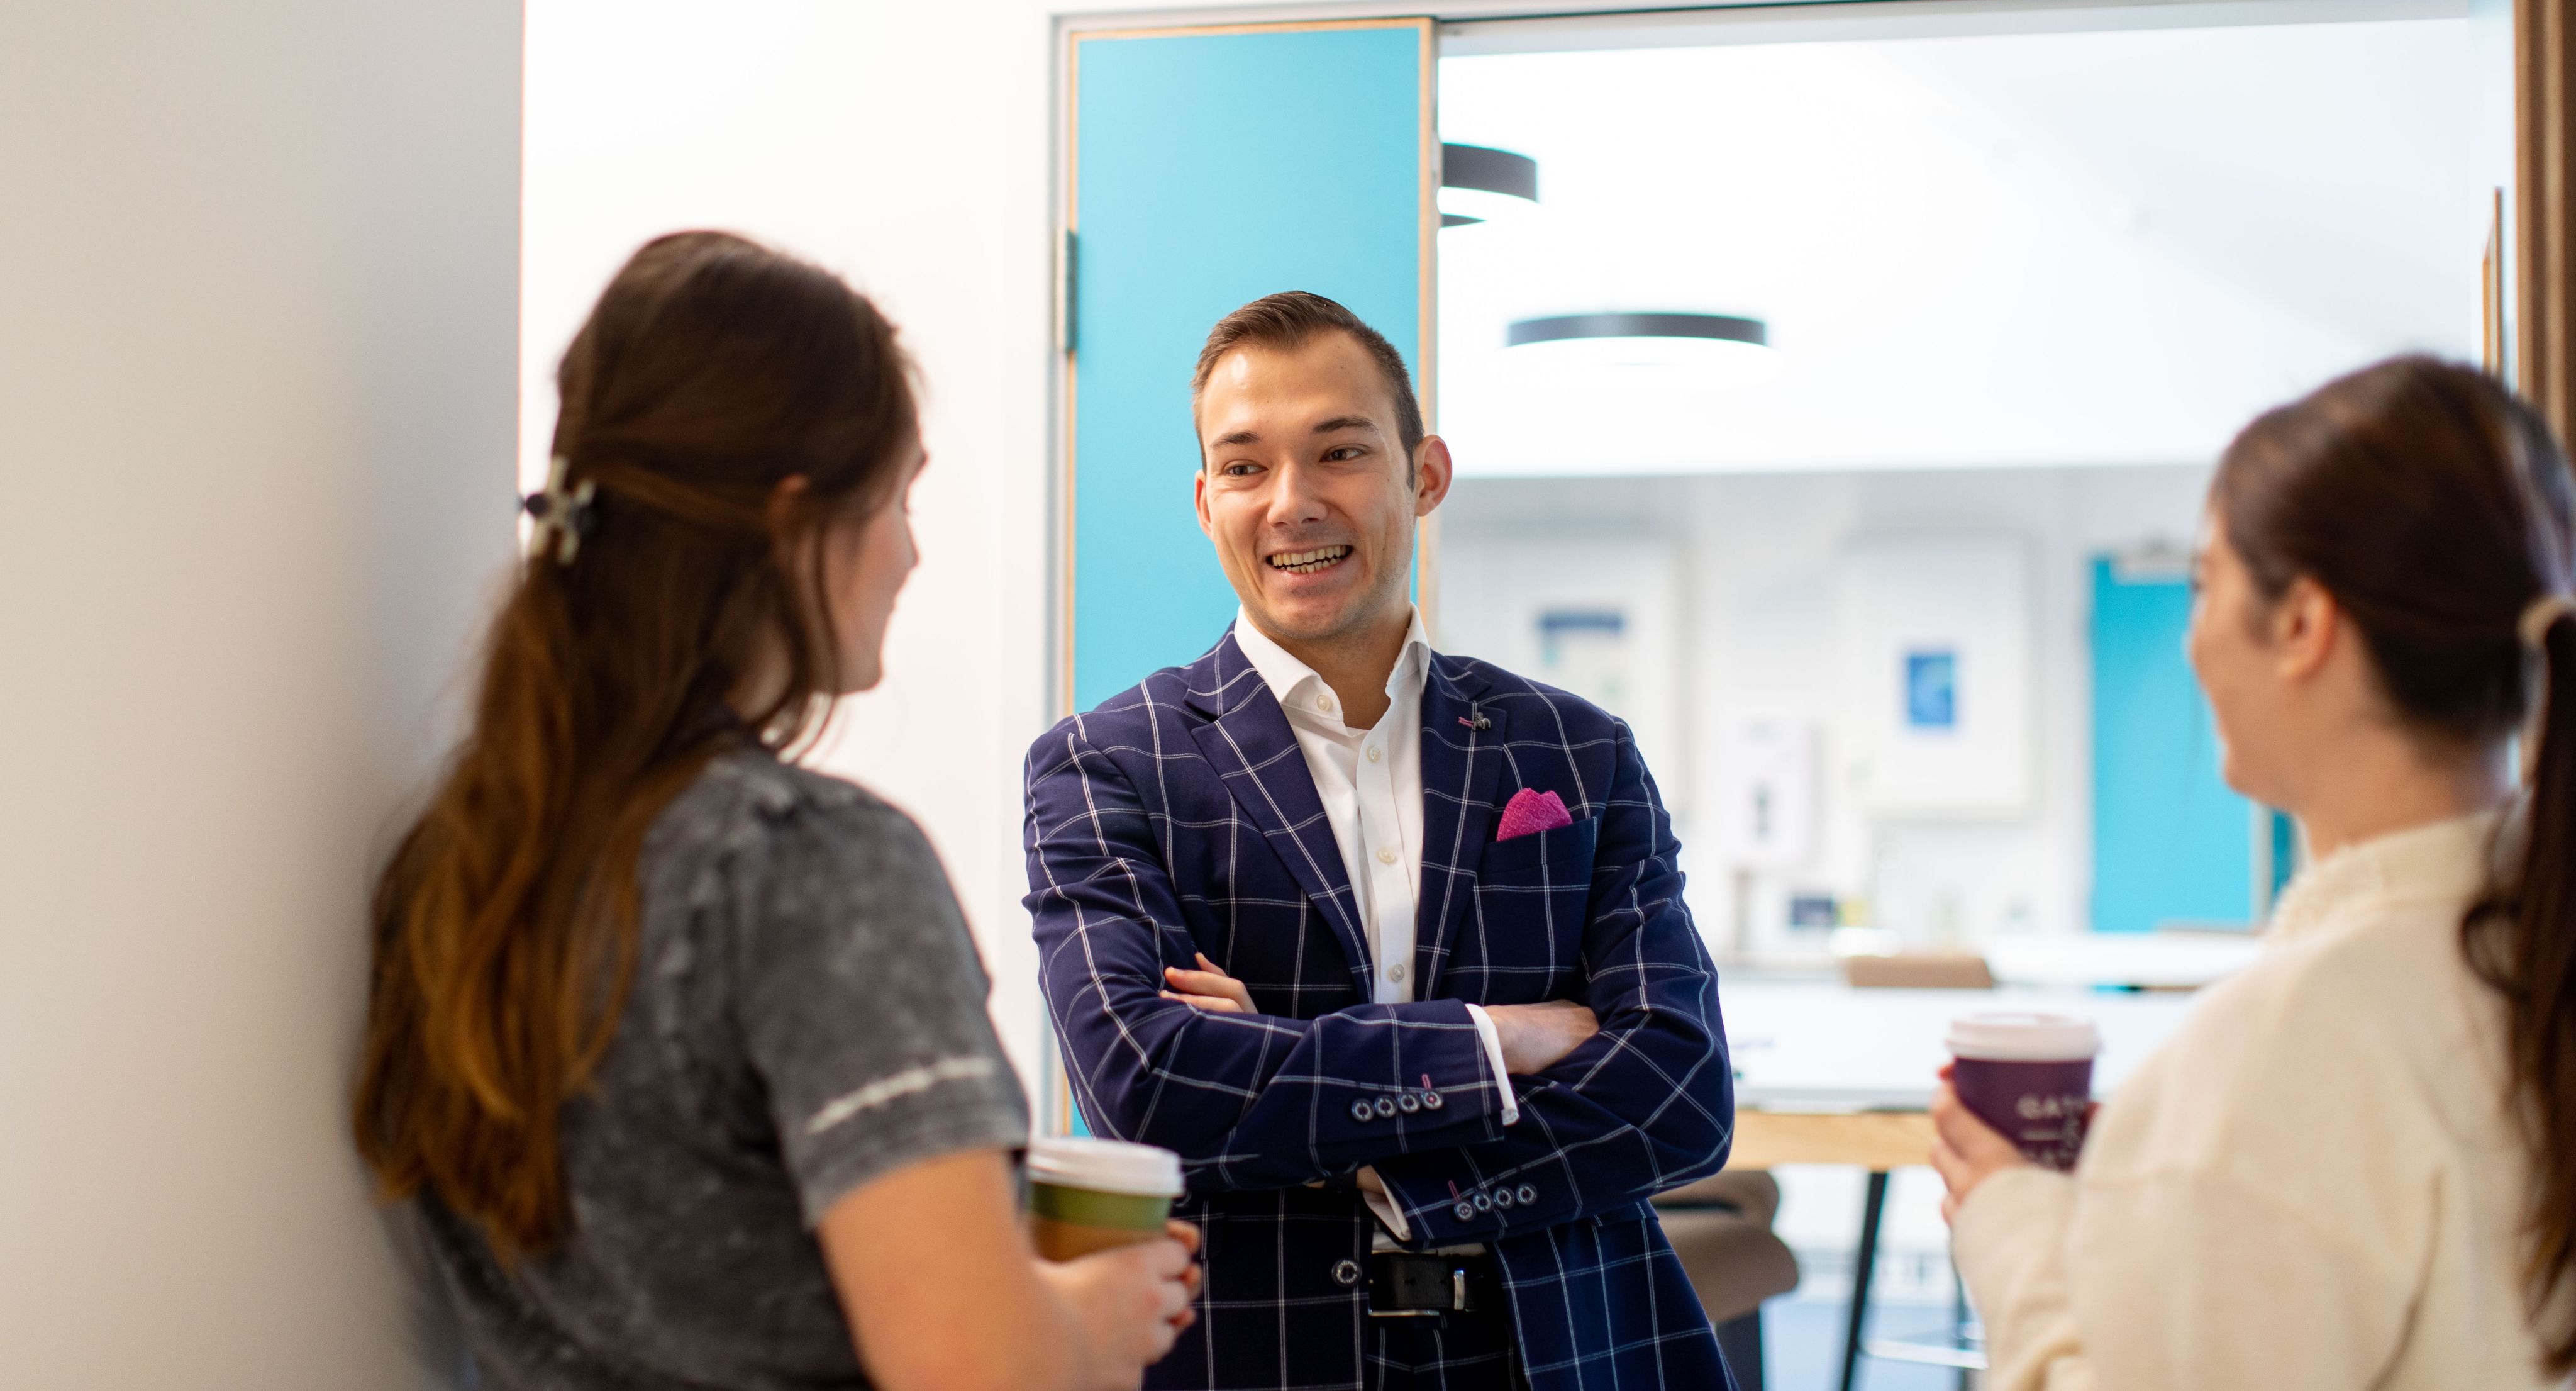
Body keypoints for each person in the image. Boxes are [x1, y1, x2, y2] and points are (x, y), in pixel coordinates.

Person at [354, 232, 1199, 1391]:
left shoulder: (455, 862)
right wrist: (1091, 1321)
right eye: (900, 498)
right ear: (797, 522)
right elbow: (979, 1372)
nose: (909, 554)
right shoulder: (809, 864)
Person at [1023, 291, 1736, 1391]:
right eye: (1247, 467)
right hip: (1254, 1355)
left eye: (1340, 451)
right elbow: (1149, 1084)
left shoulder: (1575, 749)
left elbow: (1681, 1093)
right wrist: (1497, 1042)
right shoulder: (1107, 763)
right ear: (1207, 500)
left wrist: (1333, 1113)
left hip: (1567, 1349)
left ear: (1425, 474)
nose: (1293, 504)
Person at [1931, 354, 2576, 1389]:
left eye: (2204, 581)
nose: (2192, 640)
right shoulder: (2521, 966)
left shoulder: (2299, 1042)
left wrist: (2015, 1237)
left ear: (2302, 625)